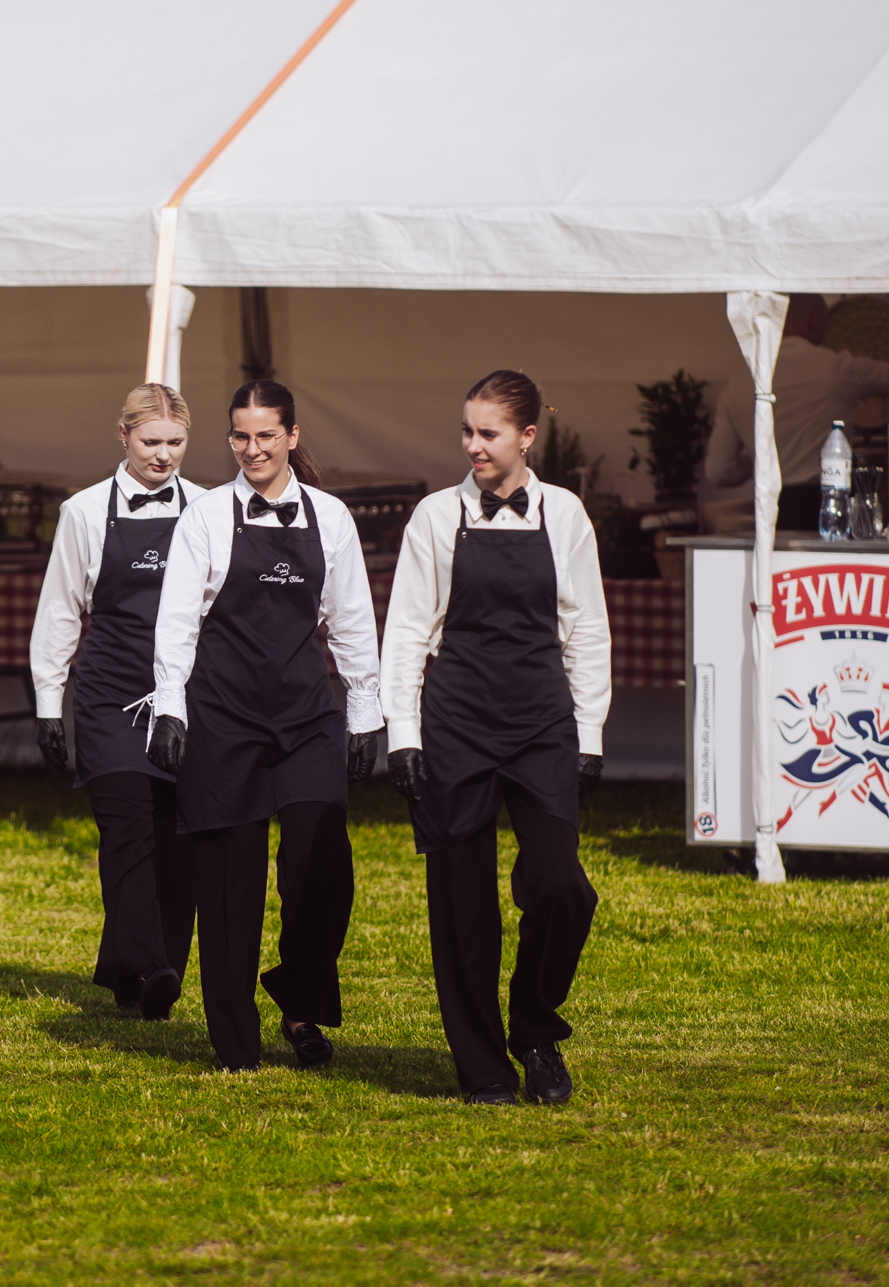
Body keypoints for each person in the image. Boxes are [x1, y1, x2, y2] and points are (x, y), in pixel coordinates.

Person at [381, 370, 611, 1107]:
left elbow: (587, 628)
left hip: (542, 722)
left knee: (561, 885)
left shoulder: (565, 514)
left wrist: (589, 732)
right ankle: (481, 1066)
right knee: (462, 904)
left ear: (527, 436)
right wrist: (404, 734)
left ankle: (535, 1032)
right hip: (456, 723)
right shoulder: (435, 516)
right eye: (467, 431)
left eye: (489, 433)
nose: (473, 446)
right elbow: (407, 631)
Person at [147, 380, 383, 1072]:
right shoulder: (205, 517)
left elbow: (351, 618)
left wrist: (365, 712)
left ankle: (302, 1001)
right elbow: (176, 618)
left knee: (322, 865)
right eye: (241, 437)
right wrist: (169, 705)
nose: (253, 449)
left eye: (266, 436)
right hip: (222, 716)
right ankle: (234, 1040)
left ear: (292, 436)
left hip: (306, 716)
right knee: (230, 885)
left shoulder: (331, 517)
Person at [29, 383, 203, 1018]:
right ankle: (151, 964)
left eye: (175, 443)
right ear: (123, 435)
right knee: (126, 829)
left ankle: (146, 974)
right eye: (151, 441)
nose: (163, 455)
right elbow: (60, 610)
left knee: (176, 837)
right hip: (110, 693)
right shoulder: (82, 512)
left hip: (185, 693)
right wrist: (49, 702)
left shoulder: (207, 509)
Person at [703, 294, 889, 530]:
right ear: (813, 320)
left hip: (772, 511)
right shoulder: (836, 369)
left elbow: (719, 471)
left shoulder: (737, 384)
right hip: (833, 504)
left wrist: (761, 457)